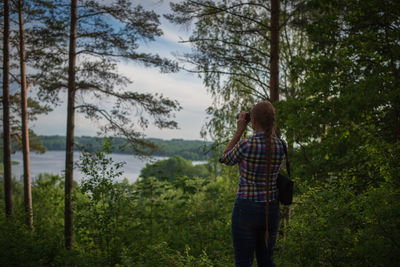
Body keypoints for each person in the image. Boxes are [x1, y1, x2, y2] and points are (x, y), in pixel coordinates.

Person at [219, 101, 285, 267]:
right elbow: (271, 141)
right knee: (267, 261)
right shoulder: (281, 145)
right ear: (273, 121)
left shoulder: (246, 144)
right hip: (271, 209)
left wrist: (240, 129)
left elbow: (225, 158)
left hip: (246, 208)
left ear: (253, 121)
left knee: (243, 263)